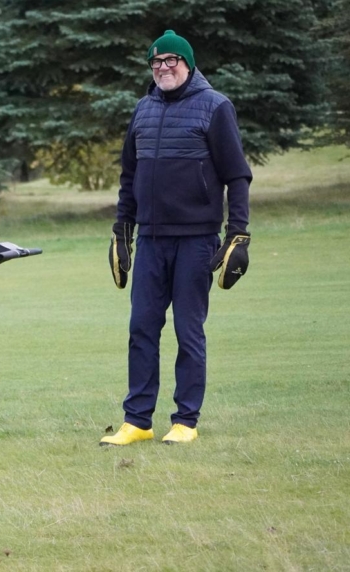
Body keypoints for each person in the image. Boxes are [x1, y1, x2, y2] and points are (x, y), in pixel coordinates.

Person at [101, 30, 253, 447]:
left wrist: (238, 235)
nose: (164, 67)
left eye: (172, 60)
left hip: (196, 240)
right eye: (156, 62)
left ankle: (186, 420)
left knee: (189, 331)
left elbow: (237, 175)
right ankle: (137, 421)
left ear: (188, 64)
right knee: (141, 330)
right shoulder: (143, 109)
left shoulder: (215, 107)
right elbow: (129, 176)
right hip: (151, 240)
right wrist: (122, 231)